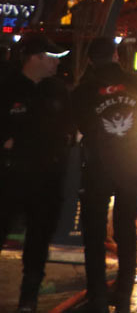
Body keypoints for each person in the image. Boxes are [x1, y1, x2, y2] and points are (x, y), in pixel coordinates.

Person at [73, 38, 137, 313]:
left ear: (90, 60)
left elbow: (80, 122)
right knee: (126, 229)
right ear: (117, 55)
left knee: (94, 233)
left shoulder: (85, 89)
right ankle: (123, 293)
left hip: (98, 165)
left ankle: (97, 295)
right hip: (131, 164)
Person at [0, 34, 74, 313]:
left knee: (39, 241)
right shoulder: (7, 87)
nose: (56, 63)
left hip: (46, 179)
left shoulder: (57, 91)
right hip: (9, 178)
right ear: (35, 57)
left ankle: (28, 299)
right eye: (52, 57)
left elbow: (65, 130)